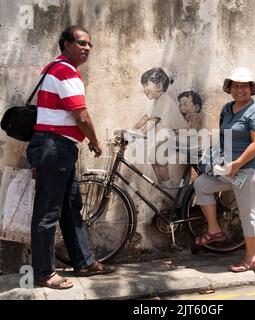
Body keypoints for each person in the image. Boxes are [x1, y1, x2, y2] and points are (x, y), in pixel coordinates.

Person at [26, 25, 115, 290]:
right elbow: (81, 115)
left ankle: (84, 261)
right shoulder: (65, 71)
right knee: (48, 213)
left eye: (89, 44)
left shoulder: (54, 68)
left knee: (70, 207)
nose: (86, 48)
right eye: (81, 43)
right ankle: (44, 273)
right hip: (54, 149)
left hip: (58, 149)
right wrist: (95, 141)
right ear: (66, 44)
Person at [194, 67, 255, 272]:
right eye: (236, 86)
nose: (240, 90)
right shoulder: (227, 109)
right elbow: (223, 137)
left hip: (250, 170)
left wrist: (237, 165)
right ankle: (214, 229)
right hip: (228, 168)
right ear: (230, 88)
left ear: (251, 89)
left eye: (244, 86)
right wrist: (221, 161)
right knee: (201, 184)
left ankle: (251, 257)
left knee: (247, 214)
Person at [133, 68, 187, 187]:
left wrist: (137, 134)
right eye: (144, 86)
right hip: (170, 135)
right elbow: (145, 118)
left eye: (147, 85)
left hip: (180, 135)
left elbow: (152, 122)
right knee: (153, 157)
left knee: (158, 156)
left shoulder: (164, 100)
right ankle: (163, 184)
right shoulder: (157, 101)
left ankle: (167, 186)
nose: (145, 89)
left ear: (159, 85)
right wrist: (131, 130)